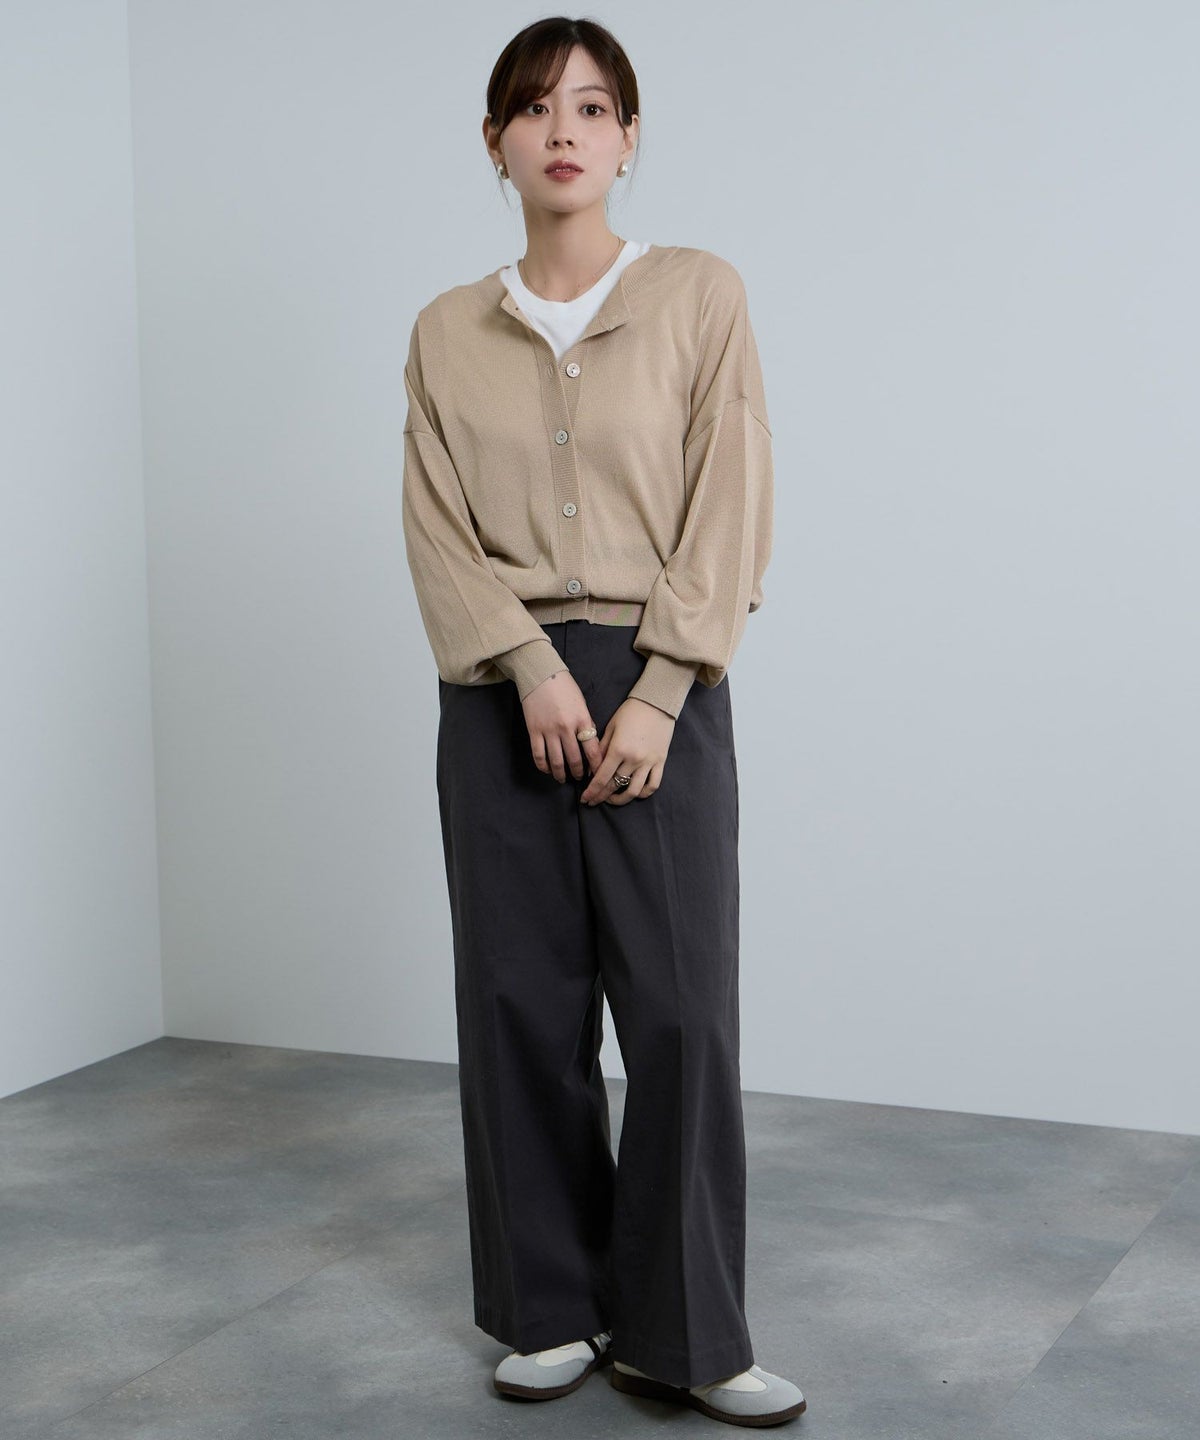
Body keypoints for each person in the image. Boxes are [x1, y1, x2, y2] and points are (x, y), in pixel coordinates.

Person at [401, 15, 806, 1429]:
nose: (561, 131)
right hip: (499, 696)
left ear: (629, 137)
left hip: (658, 686)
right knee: (520, 1002)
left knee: (682, 1013)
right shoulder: (447, 331)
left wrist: (662, 685)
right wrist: (526, 663)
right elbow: (435, 526)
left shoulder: (699, 294)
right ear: (496, 142)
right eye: (533, 108)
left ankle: (687, 1330)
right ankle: (549, 1306)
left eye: (589, 107)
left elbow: (731, 490)